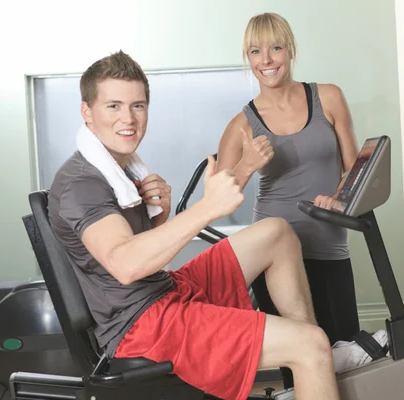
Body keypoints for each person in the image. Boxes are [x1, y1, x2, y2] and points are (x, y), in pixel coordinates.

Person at [47, 50, 341, 400]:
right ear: (87, 112)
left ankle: (308, 375)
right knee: (314, 346)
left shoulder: (119, 170)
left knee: (276, 233)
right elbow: (125, 265)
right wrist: (206, 208)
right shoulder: (82, 183)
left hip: (164, 291)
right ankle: (310, 358)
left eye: (137, 106)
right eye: (113, 106)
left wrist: (158, 218)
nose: (128, 118)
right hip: (141, 326)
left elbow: (131, 257)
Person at [216, 12, 373, 388]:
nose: (266, 60)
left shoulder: (328, 97)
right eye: (256, 51)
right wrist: (247, 166)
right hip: (275, 257)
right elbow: (220, 199)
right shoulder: (241, 124)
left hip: (329, 246)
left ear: (290, 50)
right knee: (300, 366)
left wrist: (337, 198)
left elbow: (355, 172)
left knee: (347, 359)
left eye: (275, 48)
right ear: (247, 57)